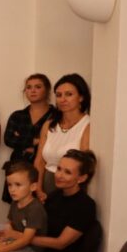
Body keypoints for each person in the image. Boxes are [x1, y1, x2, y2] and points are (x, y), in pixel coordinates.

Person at [34, 73, 91, 201]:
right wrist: (38, 188)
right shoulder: (49, 124)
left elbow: (83, 166)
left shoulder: (87, 125)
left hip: (70, 188)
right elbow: (39, 161)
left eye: (69, 94)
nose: (62, 99)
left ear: (81, 97)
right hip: (46, 183)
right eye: (59, 95)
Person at [1, 74, 53, 203]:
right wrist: (35, 141)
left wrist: (22, 139)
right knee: (16, 207)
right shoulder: (17, 115)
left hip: (44, 170)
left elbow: (54, 143)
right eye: (29, 87)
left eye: (38, 87)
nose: (32, 90)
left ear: (47, 90)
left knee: (41, 206)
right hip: (18, 167)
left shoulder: (55, 115)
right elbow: (8, 139)